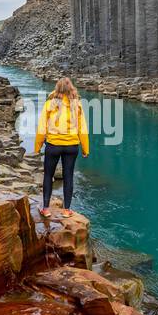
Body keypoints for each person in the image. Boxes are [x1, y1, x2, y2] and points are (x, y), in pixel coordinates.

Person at [34, 76, 89, 218]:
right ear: (71, 88)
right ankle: (67, 210)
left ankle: (45, 209)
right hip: (71, 146)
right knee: (68, 176)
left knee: (48, 175)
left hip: (53, 145)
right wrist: (85, 148)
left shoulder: (50, 104)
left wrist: (37, 146)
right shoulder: (77, 104)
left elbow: (41, 127)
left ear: (57, 88)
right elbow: (82, 128)